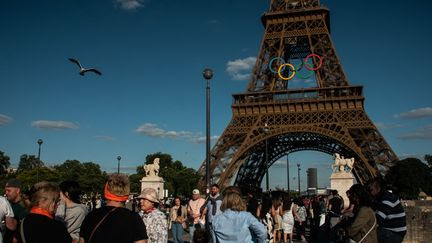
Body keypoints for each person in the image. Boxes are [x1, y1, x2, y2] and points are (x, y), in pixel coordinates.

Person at [79, 174, 148, 243]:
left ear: (106, 191)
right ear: (127, 193)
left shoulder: (91, 216)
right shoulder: (134, 219)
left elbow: (82, 241)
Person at [368, 177, 406, 243]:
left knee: (365, 234)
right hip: (392, 231)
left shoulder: (387, 199)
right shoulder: (381, 198)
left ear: (378, 188)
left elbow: (377, 219)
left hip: (394, 233)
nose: (369, 192)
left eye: (370, 190)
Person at [4, 178, 27, 243]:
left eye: (9, 191)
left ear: (18, 191)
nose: (6, 193)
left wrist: (16, 236)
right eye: (5, 190)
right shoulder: (8, 204)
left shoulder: (24, 207)